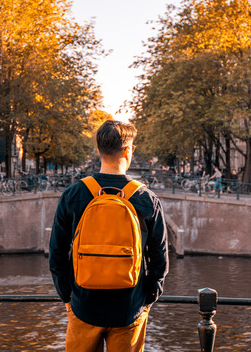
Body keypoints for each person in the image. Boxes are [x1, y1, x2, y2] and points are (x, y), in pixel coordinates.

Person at [49, 120, 169, 352]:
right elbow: (160, 259)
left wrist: (68, 298)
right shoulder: (147, 199)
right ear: (128, 150)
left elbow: (56, 254)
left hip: (83, 306)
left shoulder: (73, 195)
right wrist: (147, 300)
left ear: (99, 150)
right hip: (129, 309)